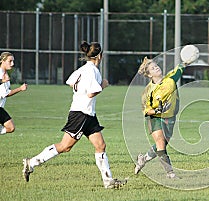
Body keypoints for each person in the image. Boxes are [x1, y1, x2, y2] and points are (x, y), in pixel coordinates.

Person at [22, 41, 127, 189]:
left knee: (100, 145)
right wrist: (102, 85)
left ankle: (108, 180)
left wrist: (81, 89)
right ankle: (31, 163)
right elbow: (91, 93)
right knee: (65, 146)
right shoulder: (93, 71)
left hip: (88, 114)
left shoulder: (83, 69)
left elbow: (70, 82)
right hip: (81, 114)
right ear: (99, 56)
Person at [134, 57, 188, 179]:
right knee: (160, 143)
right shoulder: (148, 91)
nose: (156, 67)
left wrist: (186, 61)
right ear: (149, 74)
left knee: (162, 145)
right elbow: (146, 110)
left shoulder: (170, 80)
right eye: (152, 68)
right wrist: (156, 110)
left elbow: (178, 70)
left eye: (156, 66)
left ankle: (144, 159)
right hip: (155, 118)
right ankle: (170, 173)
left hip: (170, 117)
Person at [0, 52, 28, 135]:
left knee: (10, 127)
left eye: (13, 61)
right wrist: (20, 88)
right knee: (10, 127)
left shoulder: (4, 73)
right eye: (10, 61)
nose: (12, 64)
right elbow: (6, 94)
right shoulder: (1, 74)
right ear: (2, 61)